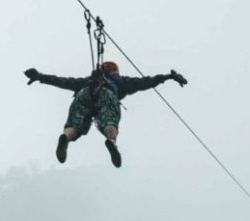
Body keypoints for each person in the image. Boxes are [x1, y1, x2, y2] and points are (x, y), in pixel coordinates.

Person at [24, 61, 188, 167]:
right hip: (107, 94)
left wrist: (40, 77)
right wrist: (168, 76)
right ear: (115, 71)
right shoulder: (120, 81)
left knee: (76, 124)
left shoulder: (87, 80)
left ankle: (66, 138)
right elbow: (145, 82)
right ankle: (111, 141)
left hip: (84, 93)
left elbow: (63, 81)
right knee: (110, 121)